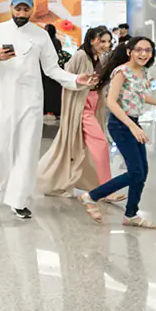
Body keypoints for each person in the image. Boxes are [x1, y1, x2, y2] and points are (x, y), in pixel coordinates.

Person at [0, 0, 93, 219]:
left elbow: (52, 69)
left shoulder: (40, 36)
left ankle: (19, 200)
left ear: (31, 10)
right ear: (11, 8)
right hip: (1, 101)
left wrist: (76, 80)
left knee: (27, 151)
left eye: (25, 9)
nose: (21, 13)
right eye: (17, 9)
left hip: (30, 102)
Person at [80, 36, 156, 229]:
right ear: (129, 52)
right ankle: (91, 196)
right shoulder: (121, 71)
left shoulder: (141, 71)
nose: (143, 54)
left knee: (142, 172)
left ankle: (130, 215)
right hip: (121, 125)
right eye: (139, 50)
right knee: (135, 172)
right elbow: (111, 102)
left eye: (148, 50)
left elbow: (140, 96)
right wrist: (132, 127)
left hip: (133, 122)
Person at [37, 26, 116, 198]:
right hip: (81, 106)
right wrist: (81, 84)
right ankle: (106, 188)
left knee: (80, 147)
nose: (105, 45)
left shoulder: (100, 57)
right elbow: (66, 78)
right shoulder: (81, 56)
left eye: (108, 41)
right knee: (100, 143)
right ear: (92, 39)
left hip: (94, 104)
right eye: (102, 41)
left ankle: (60, 180)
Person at [41, 23, 65, 120]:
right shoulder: (57, 41)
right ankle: (55, 110)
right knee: (55, 93)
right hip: (56, 71)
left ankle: (46, 110)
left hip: (45, 72)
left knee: (46, 92)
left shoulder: (45, 42)